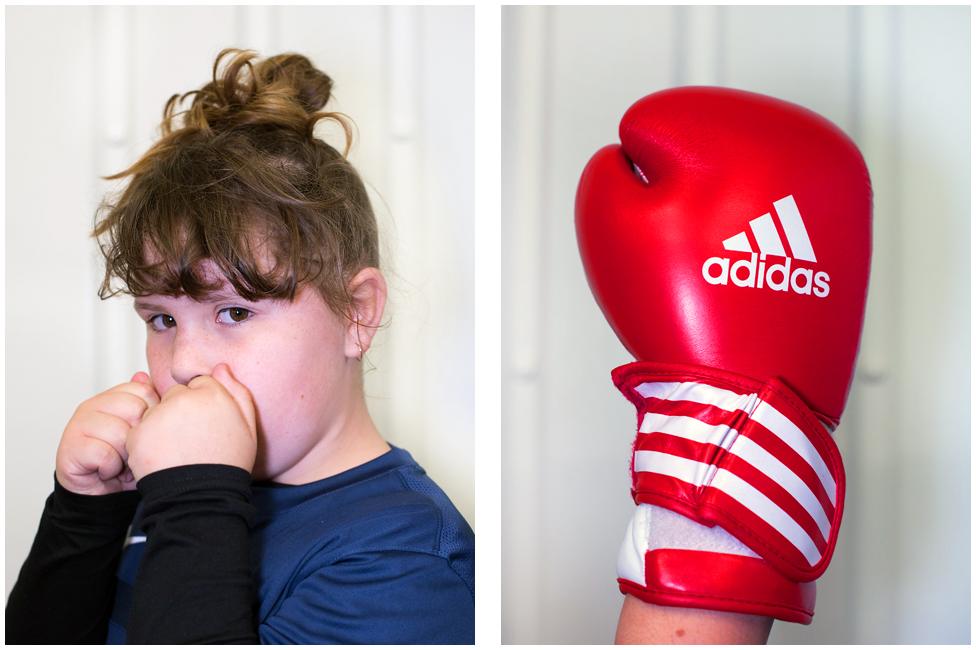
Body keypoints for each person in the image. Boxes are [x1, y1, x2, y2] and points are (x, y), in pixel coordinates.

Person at [5, 48, 475, 644]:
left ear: (357, 315)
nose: (182, 366)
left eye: (233, 311)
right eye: (161, 320)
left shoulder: (403, 560)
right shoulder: (179, 488)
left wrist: (195, 500)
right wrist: (85, 514)